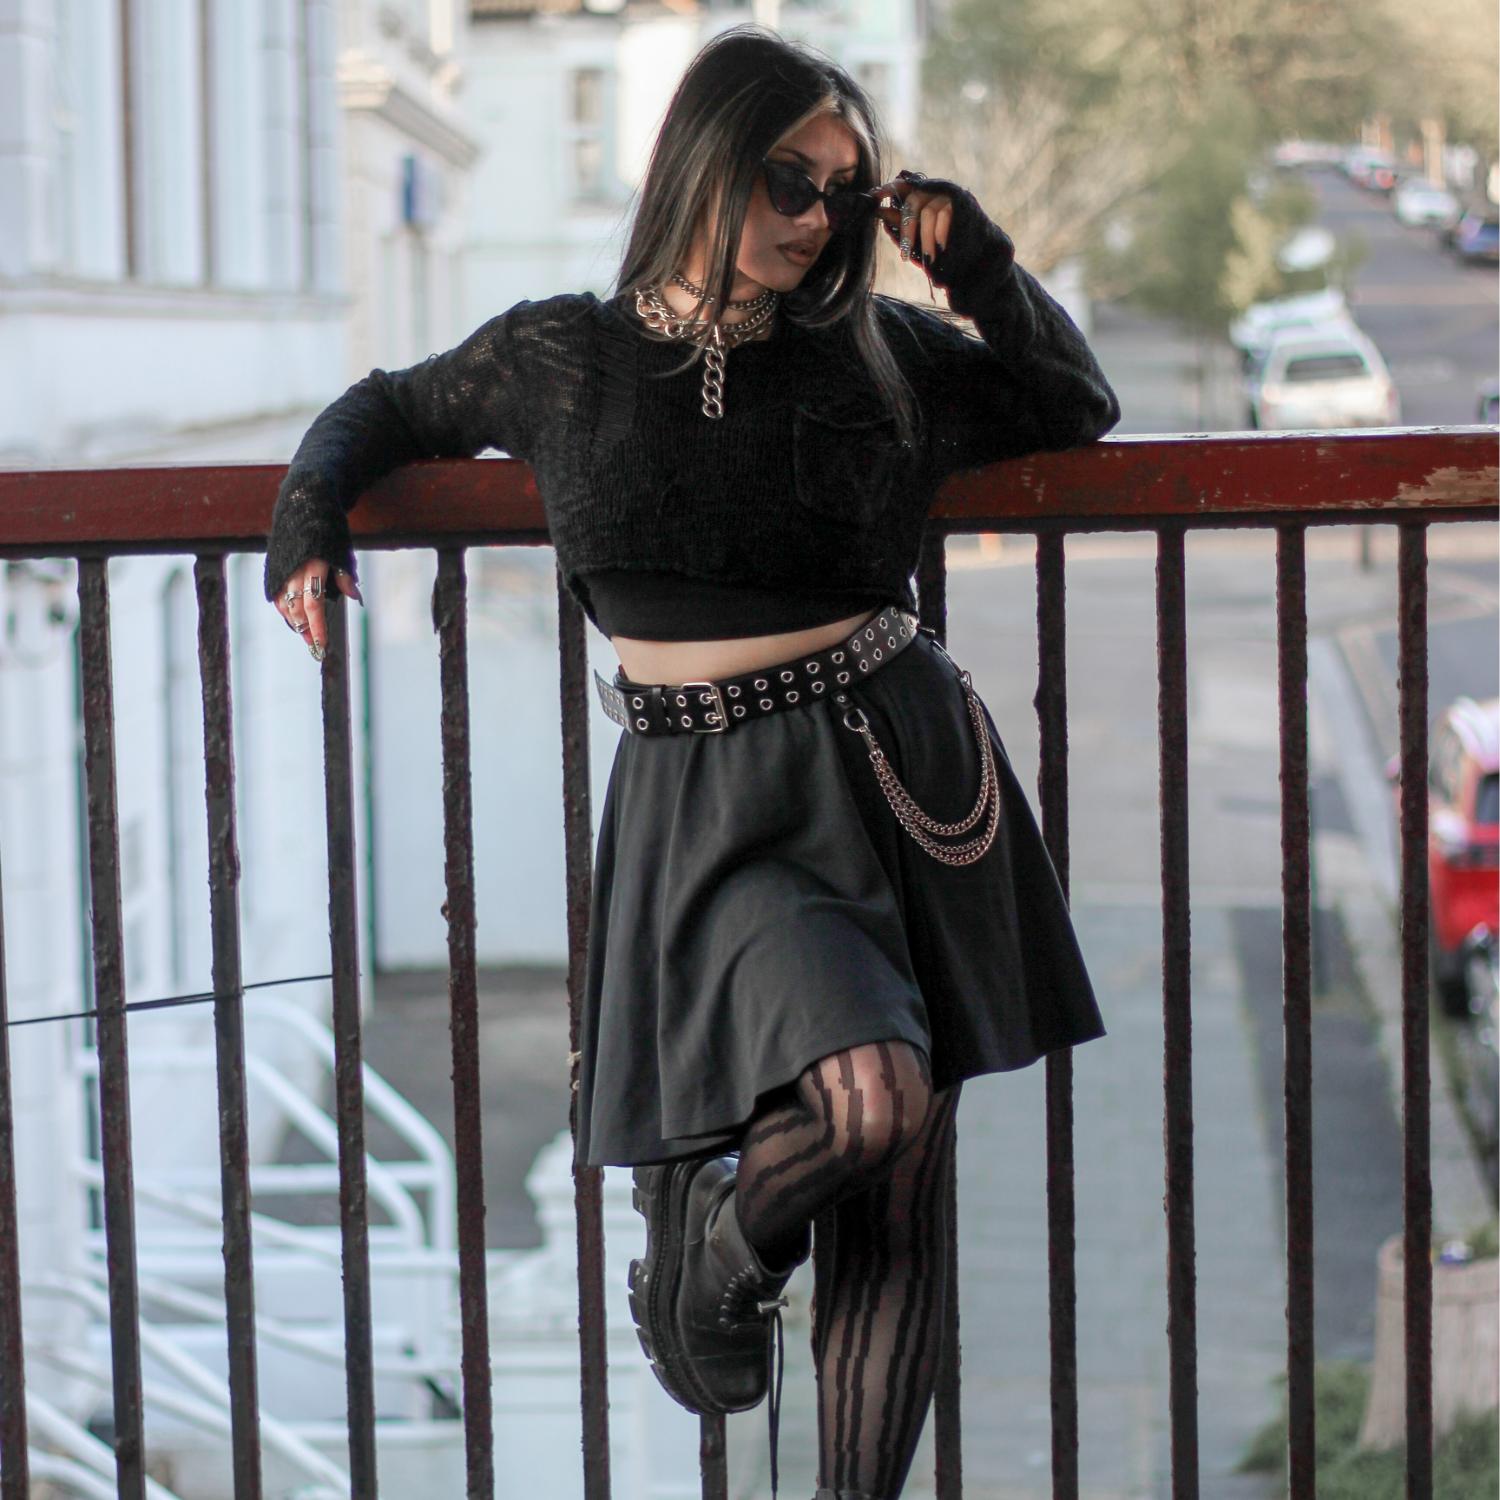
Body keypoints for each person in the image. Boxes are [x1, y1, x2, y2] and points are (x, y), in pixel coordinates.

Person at [264, 24, 1119, 1500]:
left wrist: (973, 260)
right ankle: (709, 1260)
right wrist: (306, 520)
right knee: (869, 1104)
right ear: (701, 164)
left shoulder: (880, 353)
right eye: (791, 179)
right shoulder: (564, 355)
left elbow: (1071, 405)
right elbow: (388, 409)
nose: (816, 218)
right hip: (707, 801)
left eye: (846, 195)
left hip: (893, 771)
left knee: (898, 1201)